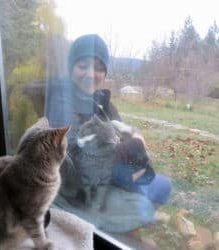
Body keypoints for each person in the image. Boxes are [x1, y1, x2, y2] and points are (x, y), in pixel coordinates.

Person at [45, 34, 171, 233]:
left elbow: (123, 137)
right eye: (83, 65)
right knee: (145, 207)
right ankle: (103, 224)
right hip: (78, 191)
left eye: (99, 67)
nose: (91, 74)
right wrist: (132, 148)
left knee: (163, 186)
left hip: (110, 174)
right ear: (70, 68)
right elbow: (73, 163)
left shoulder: (102, 102)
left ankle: (122, 214)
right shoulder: (60, 103)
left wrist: (137, 152)